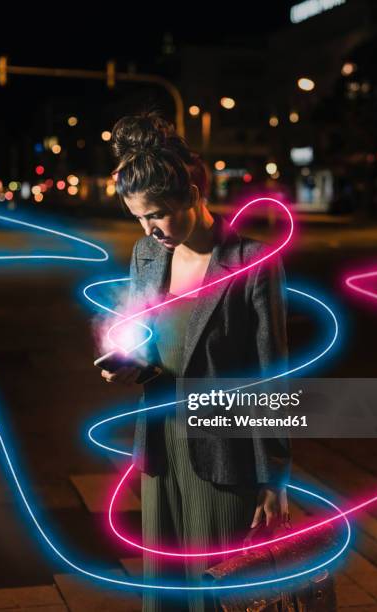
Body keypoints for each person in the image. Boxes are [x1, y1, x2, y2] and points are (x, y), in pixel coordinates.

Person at [98, 111, 290, 611]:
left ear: (194, 194)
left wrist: (275, 480)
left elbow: (272, 374)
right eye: (139, 216)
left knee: (214, 597)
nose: (150, 228)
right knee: (164, 597)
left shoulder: (252, 260)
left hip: (226, 459)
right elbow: (148, 340)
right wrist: (129, 364)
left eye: (159, 212)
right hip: (160, 449)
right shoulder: (144, 254)